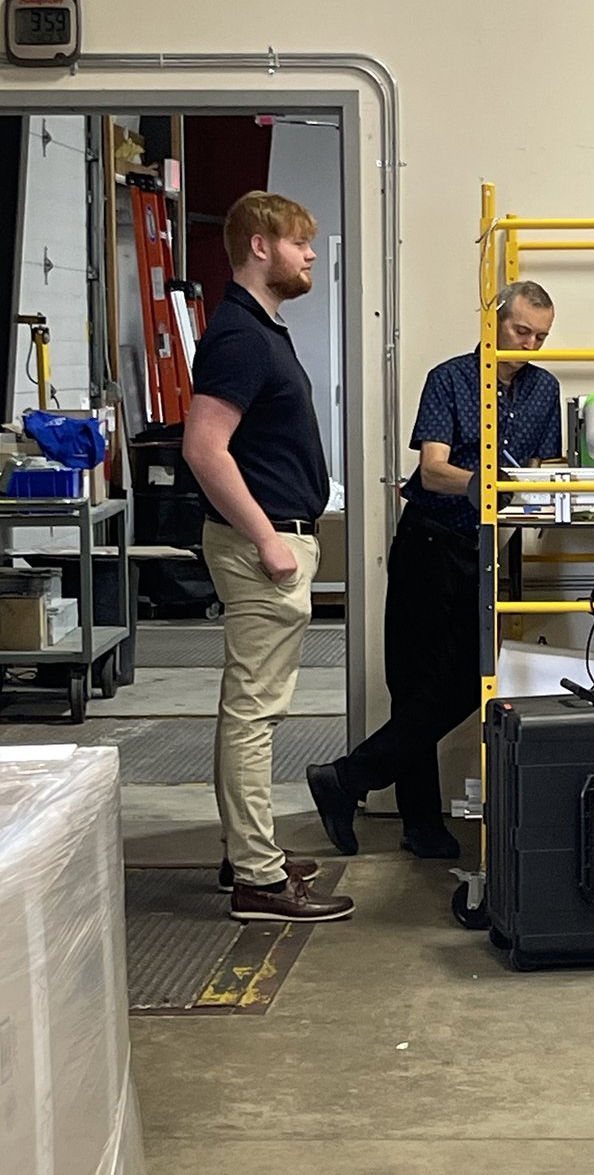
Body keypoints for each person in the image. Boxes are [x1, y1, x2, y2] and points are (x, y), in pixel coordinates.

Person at [307, 281, 562, 859]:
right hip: (430, 541)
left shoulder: (545, 390)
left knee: (473, 682)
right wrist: (489, 485)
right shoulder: (451, 378)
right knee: (416, 686)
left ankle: (346, 779)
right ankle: (420, 824)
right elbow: (432, 471)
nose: (530, 345)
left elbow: (546, 469)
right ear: (494, 323)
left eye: (541, 337)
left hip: (490, 549)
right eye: (522, 331)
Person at [183, 190, 353, 923]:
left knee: (254, 711)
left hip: (279, 541)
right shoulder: (240, 337)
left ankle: (247, 853)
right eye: (300, 242)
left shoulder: (261, 328)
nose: (311, 254)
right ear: (260, 245)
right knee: (252, 714)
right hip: (264, 549)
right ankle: (257, 877)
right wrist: (266, 540)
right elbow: (203, 448)